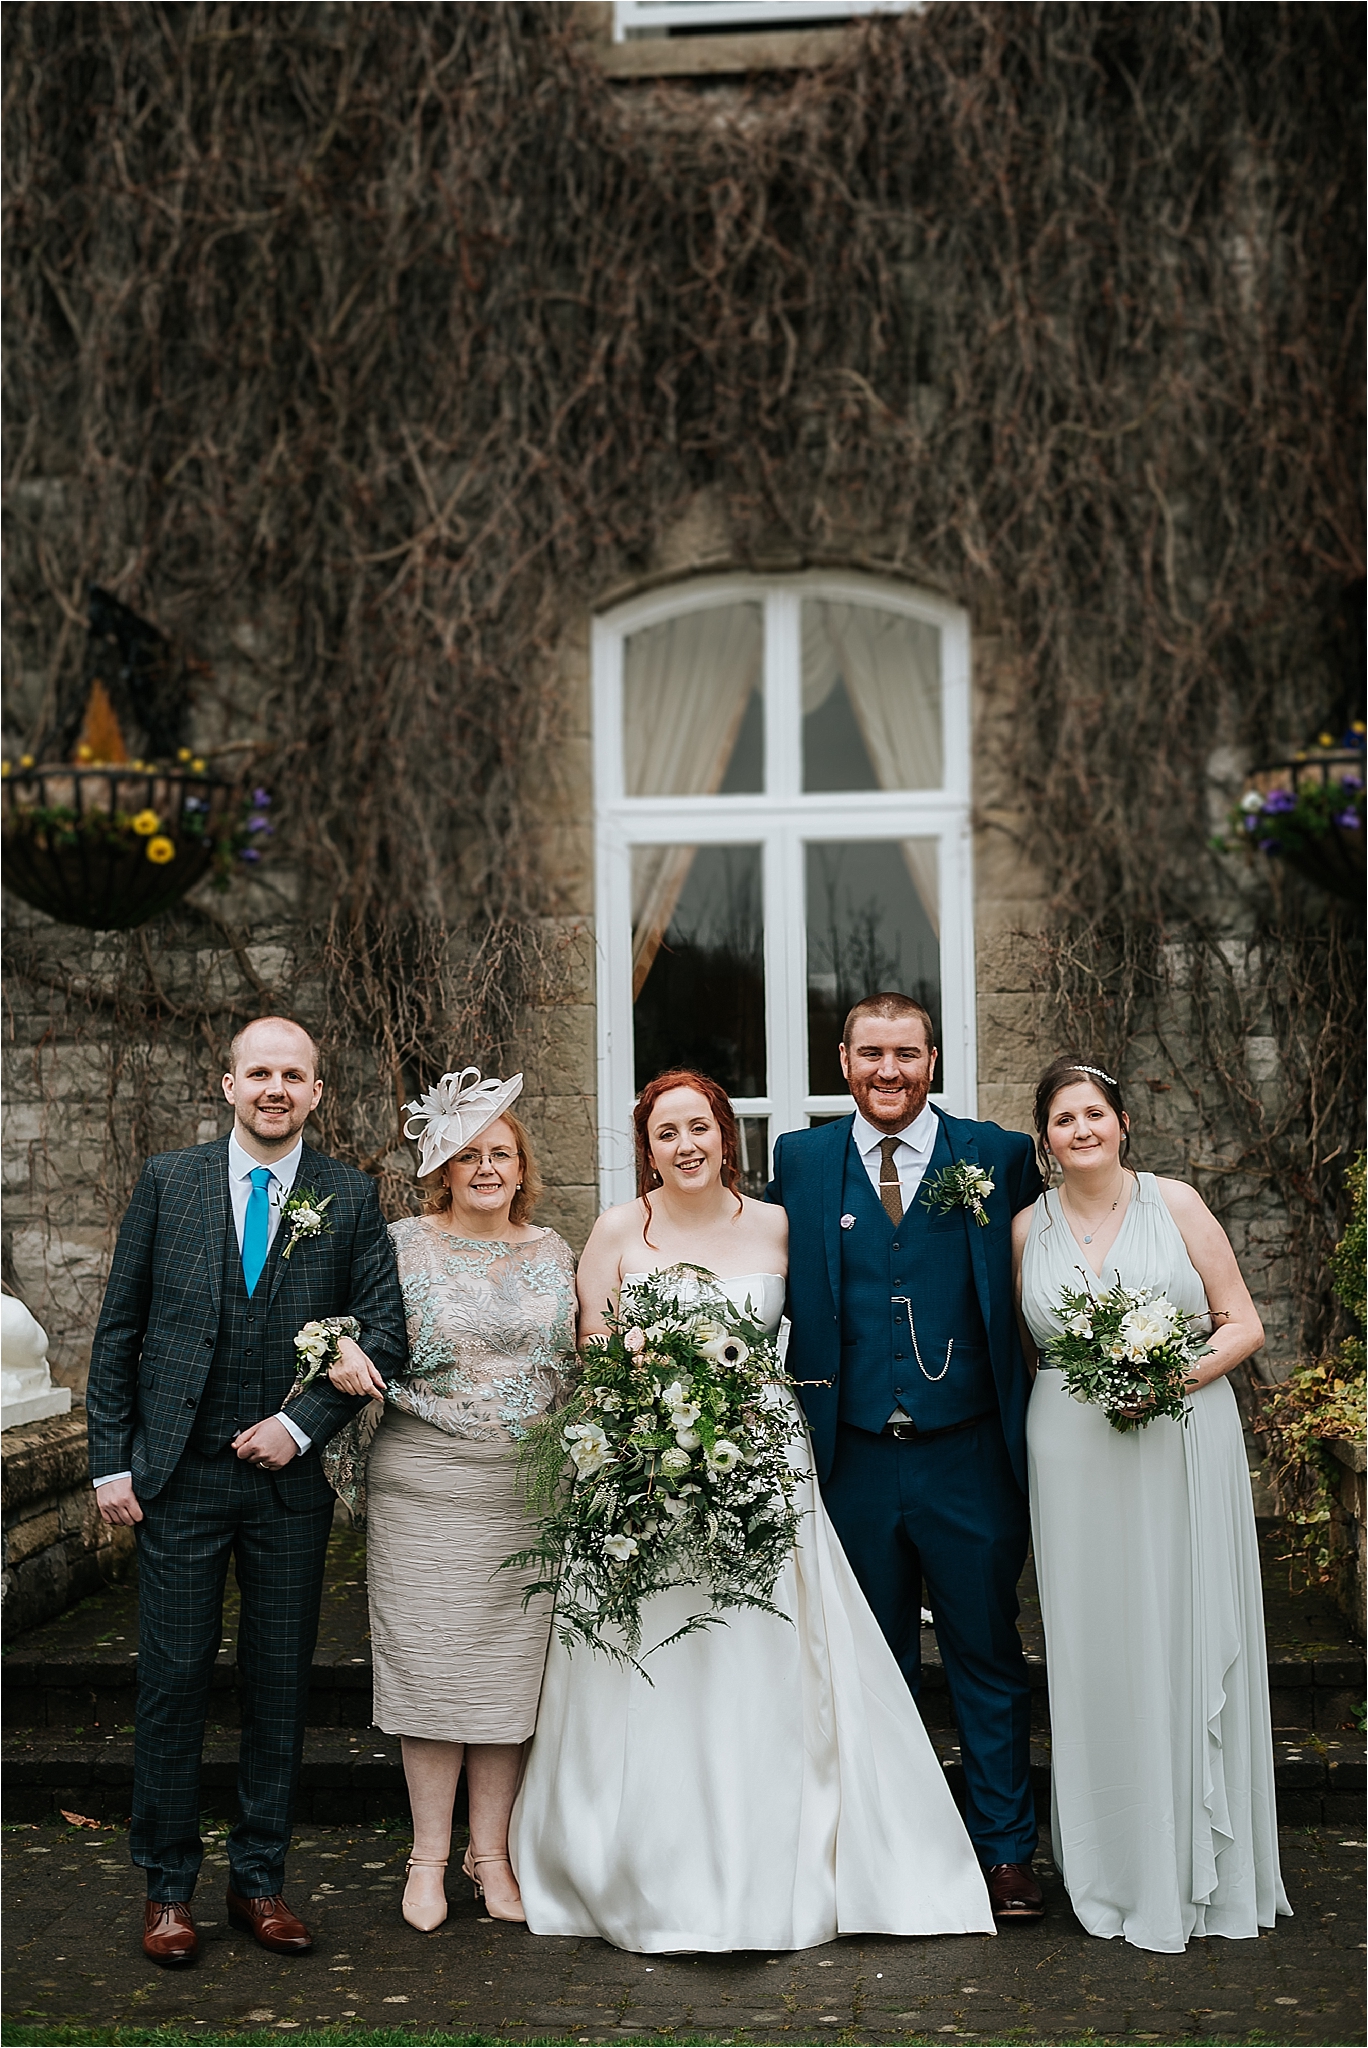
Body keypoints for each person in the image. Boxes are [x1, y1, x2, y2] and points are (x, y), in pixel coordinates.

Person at [510, 1067, 994, 1954]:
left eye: (700, 1128)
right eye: (666, 1133)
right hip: (643, 1470)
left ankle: (777, 1861)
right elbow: (594, 1348)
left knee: (762, 1661)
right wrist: (647, 1420)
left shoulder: (780, 1224)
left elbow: (836, 1329)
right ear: (645, 1146)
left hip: (764, 1464)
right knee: (655, 1665)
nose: (685, 1145)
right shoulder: (618, 1231)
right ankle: (642, 1866)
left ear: (726, 1137)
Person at [86, 1017, 408, 1968]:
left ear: (316, 1093)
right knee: (173, 1682)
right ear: (227, 1085)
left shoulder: (350, 1197)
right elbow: (118, 1332)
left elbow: (383, 1335)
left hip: (286, 1490)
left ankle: (260, 1882)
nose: (276, 1087)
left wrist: (301, 1423)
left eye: (294, 1075)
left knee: (278, 1687)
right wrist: (113, 1463)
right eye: (258, 1072)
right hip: (175, 1479)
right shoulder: (167, 1182)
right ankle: (169, 1891)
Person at [770, 992, 1046, 1922]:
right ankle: (889, 1854)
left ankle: (1006, 1854)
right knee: (868, 1663)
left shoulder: (996, 1156)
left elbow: (1056, 1253)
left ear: (934, 1059)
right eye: (871, 1053)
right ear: (841, 1060)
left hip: (967, 1454)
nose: (889, 1071)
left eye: (907, 1053)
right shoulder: (800, 1160)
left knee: (986, 1656)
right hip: (848, 1460)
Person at [1013, 1057, 1291, 1952]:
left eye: (1095, 1113)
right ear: (1045, 1139)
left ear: (1123, 1123)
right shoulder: (1025, 1228)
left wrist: (1173, 1375)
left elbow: (1242, 1321)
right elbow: (1024, 1349)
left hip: (1179, 1434)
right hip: (1071, 1448)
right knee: (1096, 1645)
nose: (1081, 1130)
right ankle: (1117, 1867)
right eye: (1063, 1120)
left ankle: (1203, 1867)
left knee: (1179, 1626)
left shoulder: (1176, 1204)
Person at [324, 1068, 576, 1932]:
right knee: (431, 1669)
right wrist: (338, 1356)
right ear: (442, 1167)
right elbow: (339, 1330)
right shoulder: (396, 1245)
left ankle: (492, 1856)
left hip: (525, 1487)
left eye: (501, 1153)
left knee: (509, 1678)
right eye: (468, 1155)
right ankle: (427, 1859)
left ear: (521, 1166)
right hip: (423, 1482)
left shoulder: (553, 1252)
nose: (486, 1169)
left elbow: (577, 1360)